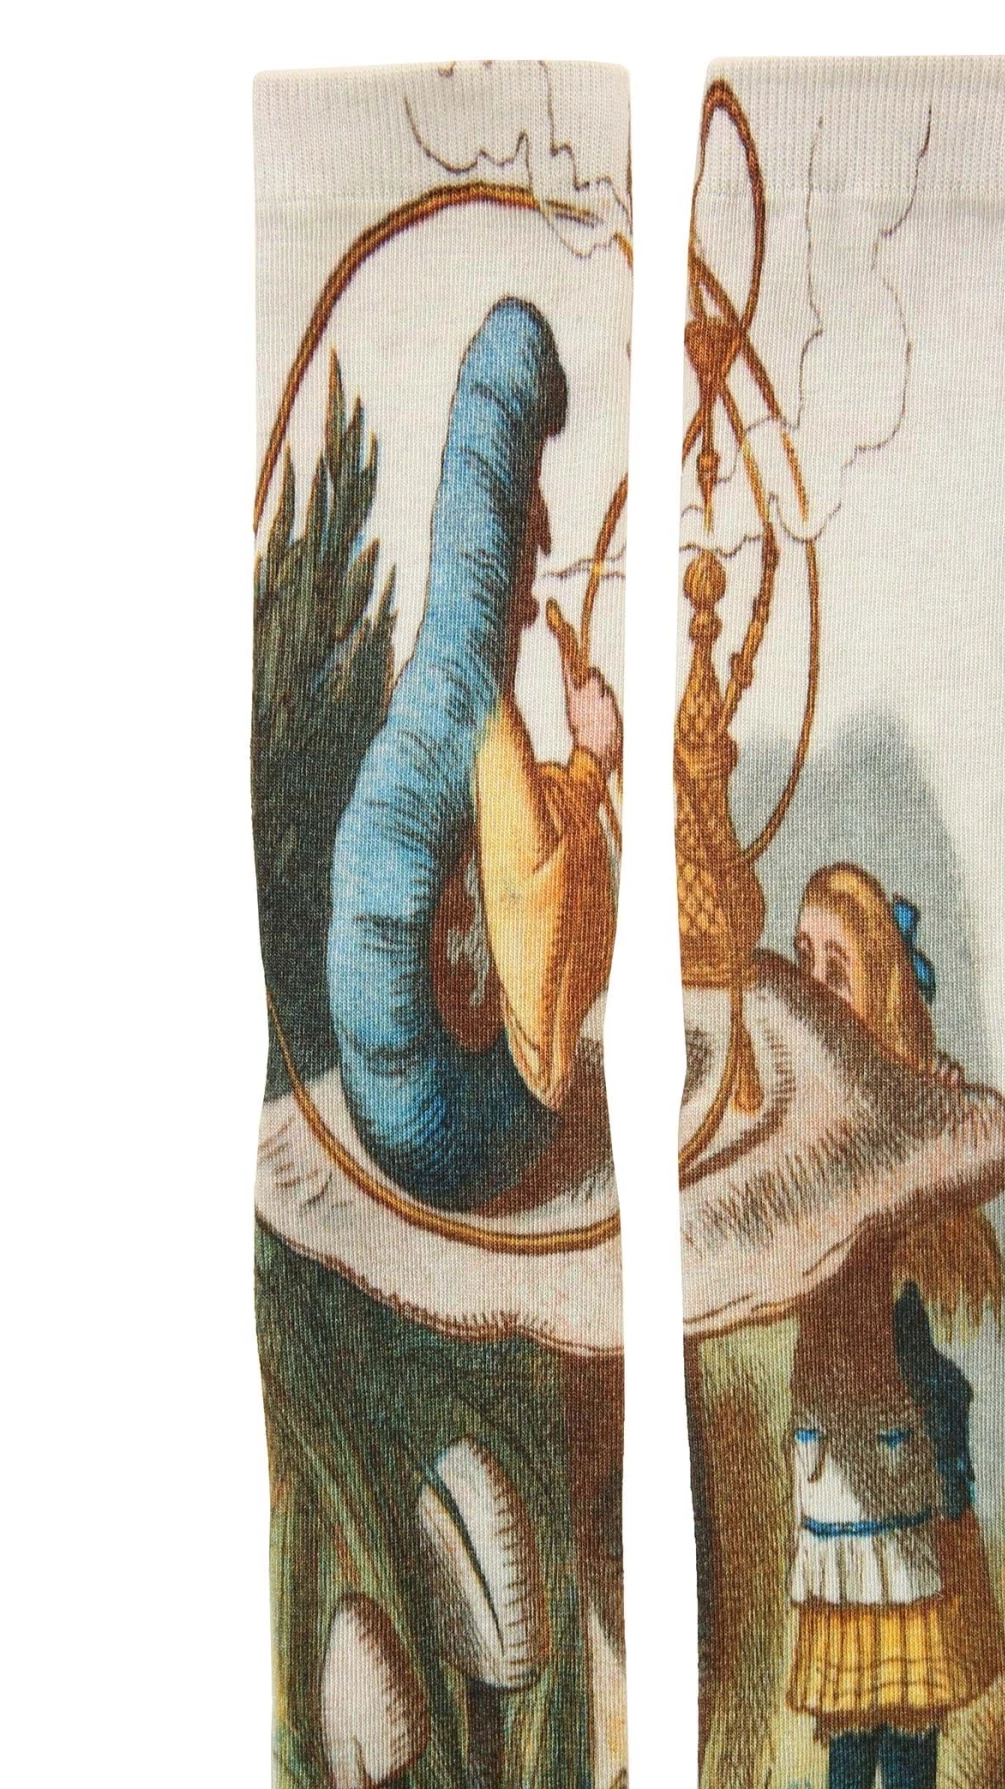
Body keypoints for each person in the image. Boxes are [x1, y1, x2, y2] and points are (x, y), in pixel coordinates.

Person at [328, 297, 621, 1211]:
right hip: (475, 1129)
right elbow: (538, 883)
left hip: (391, 1111)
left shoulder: (442, 696)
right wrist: (592, 760)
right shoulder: (486, 724)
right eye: (531, 534)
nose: (541, 553)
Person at [787, 863, 1005, 1789]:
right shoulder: (789, 1117)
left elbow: (963, 1265)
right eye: (803, 959)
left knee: (909, 1725)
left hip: (899, 1451)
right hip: (829, 1456)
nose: (813, 982)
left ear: (877, 980)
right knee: (849, 1735)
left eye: (836, 964)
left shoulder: (911, 1114)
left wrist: (938, 1133)